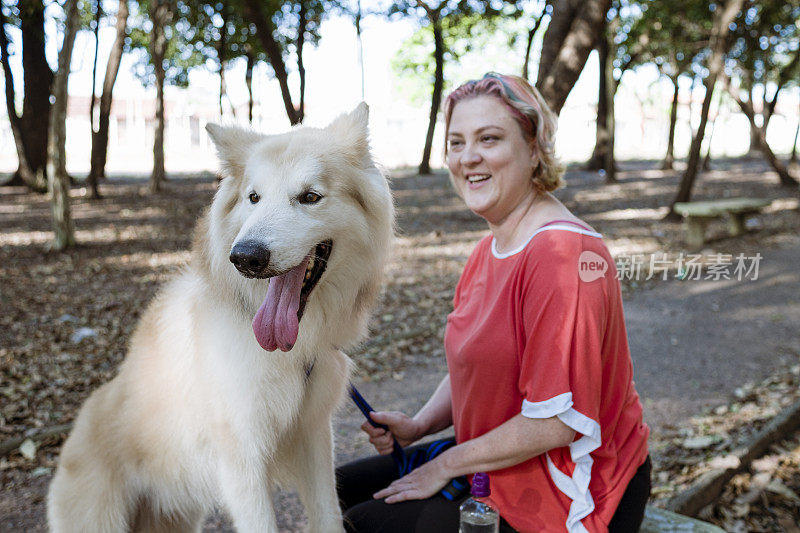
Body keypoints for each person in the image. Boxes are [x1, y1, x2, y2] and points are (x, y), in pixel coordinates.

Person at [337, 73, 651, 533]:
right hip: (497, 455)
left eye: (489, 139)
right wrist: (420, 425)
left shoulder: (566, 256)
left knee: (367, 523)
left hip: (569, 479)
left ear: (535, 149)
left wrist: (446, 465)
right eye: (457, 142)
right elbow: (476, 363)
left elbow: (556, 424)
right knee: (335, 489)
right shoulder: (490, 247)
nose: (469, 158)